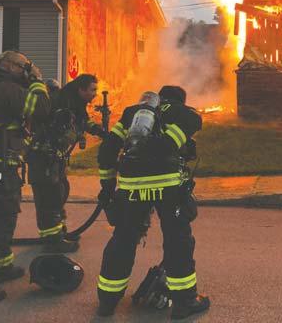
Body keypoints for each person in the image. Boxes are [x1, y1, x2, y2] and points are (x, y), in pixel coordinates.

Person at [96, 85, 210, 319]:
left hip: (131, 186)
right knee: (177, 241)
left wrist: (107, 186)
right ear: (180, 100)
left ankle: (107, 301)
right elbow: (170, 145)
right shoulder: (185, 114)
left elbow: (107, 149)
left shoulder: (132, 112)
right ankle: (185, 302)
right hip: (168, 186)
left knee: (123, 239)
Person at [0, 51, 50, 301]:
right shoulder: (8, 90)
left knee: (1, 217)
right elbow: (42, 109)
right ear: (11, 67)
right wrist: (37, 82)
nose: (27, 72)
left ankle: (1, 265)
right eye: (24, 68)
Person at [26, 74, 106, 253]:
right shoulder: (60, 102)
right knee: (48, 198)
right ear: (81, 89)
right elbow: (44, 124)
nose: (95, 93)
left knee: (58, 193)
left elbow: (83, 120)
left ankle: (58, 233)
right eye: (92, 89)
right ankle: (52, 241)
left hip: (54, 158)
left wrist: (100, 131)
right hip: (43, 157)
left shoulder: (75, 102)